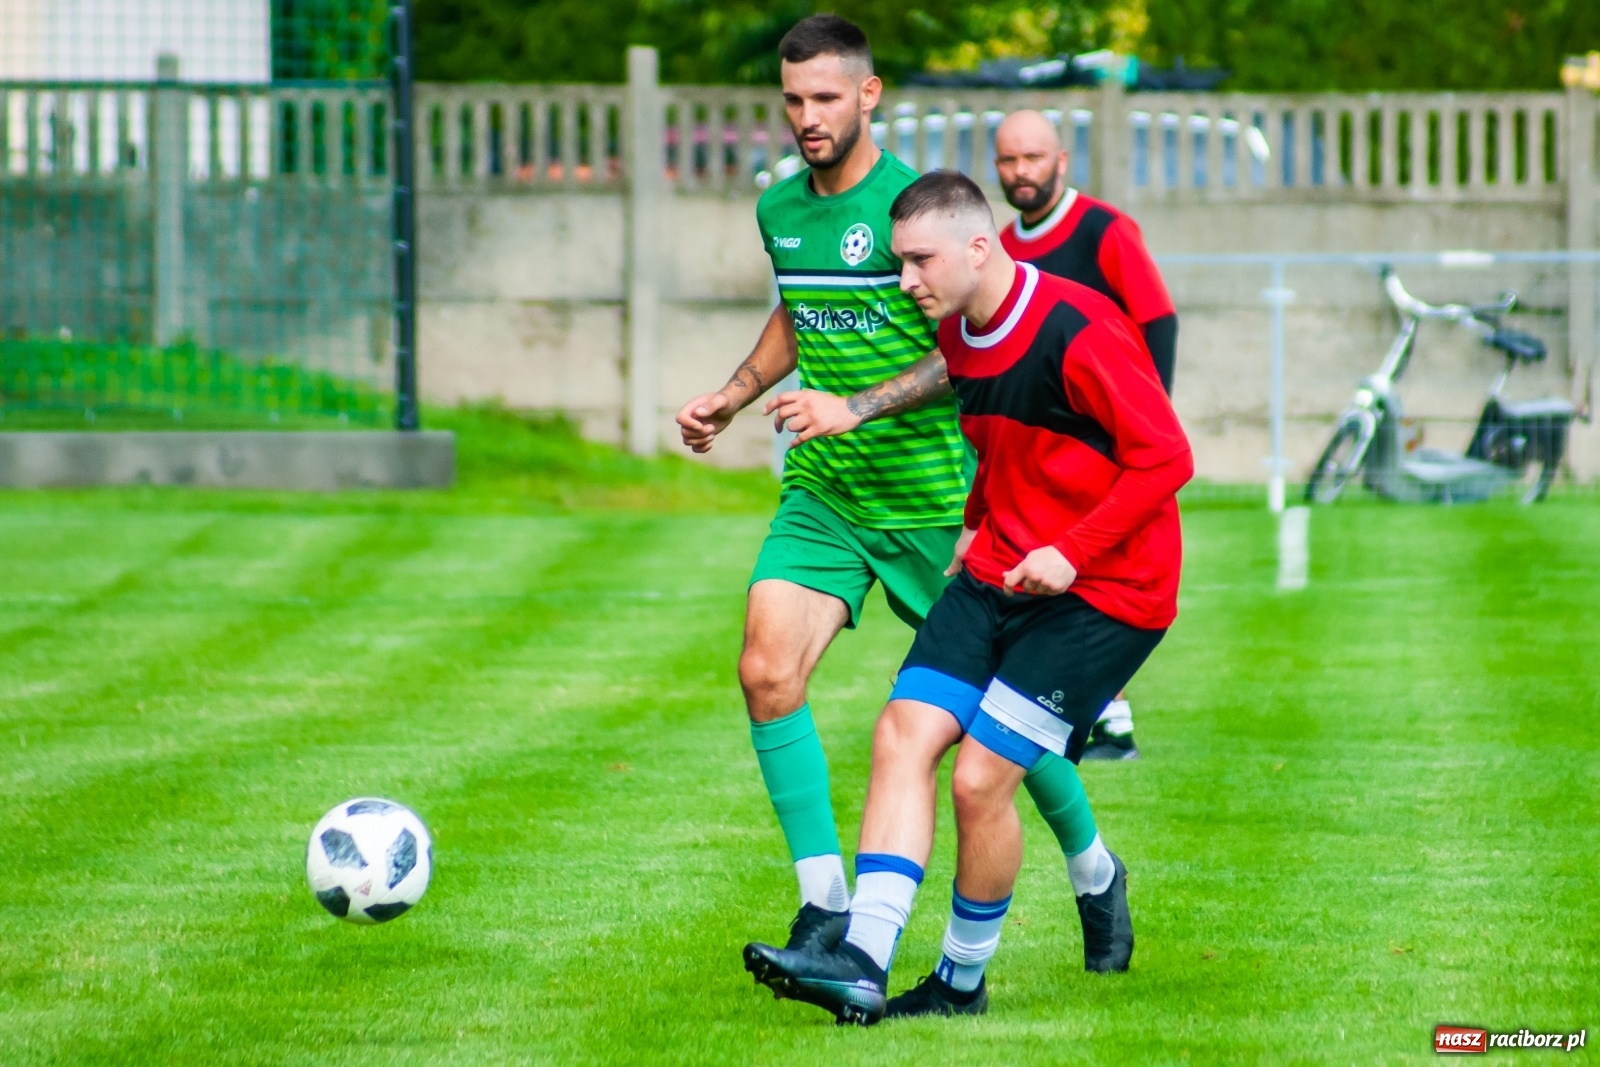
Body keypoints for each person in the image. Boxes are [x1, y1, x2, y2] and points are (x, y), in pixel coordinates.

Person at [676, 16, 1129, 961]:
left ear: (868, 95)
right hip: (827, 496)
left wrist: (857, 405)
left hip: (935, 502)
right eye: (793, 100)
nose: (808, 117)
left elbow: (969, 347)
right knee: (765, 670)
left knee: (1004, 723)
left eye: (825, 98)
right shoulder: (780, 208)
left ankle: (1094, 867)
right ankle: (824, 908)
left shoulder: (916, 213)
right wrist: (733, 393)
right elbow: (799, 310)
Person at [743, 171, 1192, 1025]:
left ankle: (958, 983)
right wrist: (978, 521)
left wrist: (1071, 552)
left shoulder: (1080, 326)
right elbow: (999, 442)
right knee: (901, 732)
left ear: (978, 247)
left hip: (1109, 591)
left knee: (981, 778)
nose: (905, 279)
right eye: (899, 261)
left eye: (919, 261)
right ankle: (860, 959)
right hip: (997, 569)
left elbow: (1167, 457)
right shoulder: (960, 335)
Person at [774, 111, 1180, 761]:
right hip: (1026, 489)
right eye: (1008, 160)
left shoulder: (1104, 233)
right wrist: (975, 519)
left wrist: (1144, 410)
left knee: (1067, 621)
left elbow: (1157, 323)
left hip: (1110, 448)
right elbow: (991, 427)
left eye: (1033, 158)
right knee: (950, 720)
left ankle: (1111, 718)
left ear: (1061, 161)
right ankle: (1082, 747)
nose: (1021, 171)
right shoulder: (989, 267)